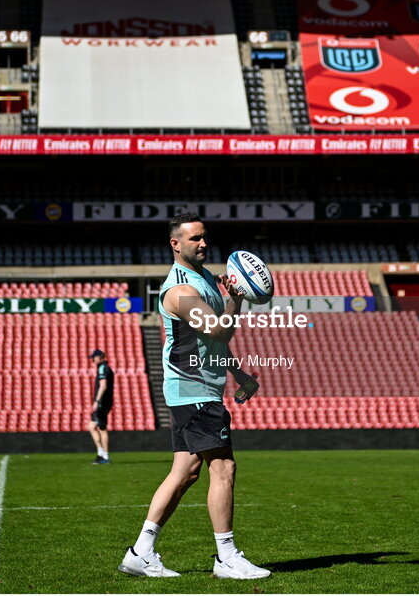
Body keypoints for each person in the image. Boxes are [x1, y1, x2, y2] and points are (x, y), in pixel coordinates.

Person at [118, 212, 270, 580]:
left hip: (193, 389)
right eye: (194, 239)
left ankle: (141, 551)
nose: (203, 243)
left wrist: (237, 376)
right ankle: (226, 557)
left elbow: (209, 343)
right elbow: (218, 332)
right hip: (193, 390)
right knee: (224, 468)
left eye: (204, 237)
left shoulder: (202, 279)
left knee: (185, 471)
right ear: (175, 244)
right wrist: (236, 299)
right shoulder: (180, 291)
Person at [88, 349, 114, 465]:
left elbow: (103, 385)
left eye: (94, 357)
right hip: (103, 403)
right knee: (91, 426)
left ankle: (105, 455)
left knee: (102, 428)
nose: (92, 360)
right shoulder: (104, 368)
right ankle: (101, 453)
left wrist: (97, 401)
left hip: (102, 403)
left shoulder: (103, 368)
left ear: (99, 357)